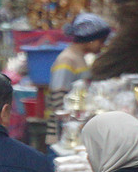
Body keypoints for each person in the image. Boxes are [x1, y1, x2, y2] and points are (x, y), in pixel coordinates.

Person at [47, 14, 110, 142]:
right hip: (64, 135)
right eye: (101, 40)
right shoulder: (67, 60)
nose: (102, 45)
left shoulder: (79, 57)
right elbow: (58, 98)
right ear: (90, 39)